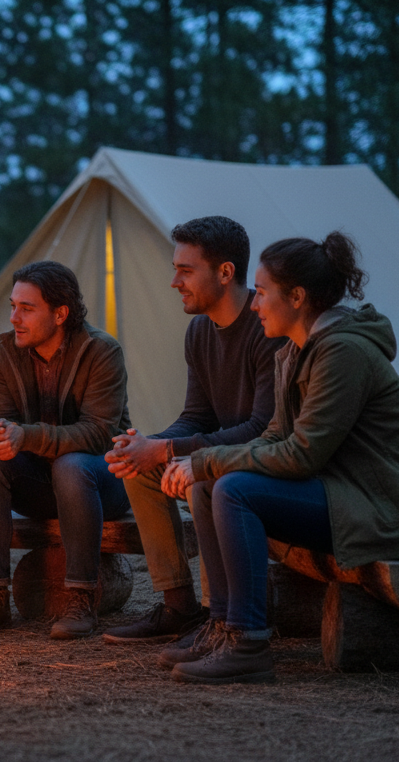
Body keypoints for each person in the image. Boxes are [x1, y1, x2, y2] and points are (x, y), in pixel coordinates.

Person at [160, 232, 399, 684]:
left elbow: (302, 455)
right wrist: (207, 463)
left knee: (233, 489)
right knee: (208, 485)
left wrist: (206, 460)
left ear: (296, 297)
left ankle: (248, 642)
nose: (254, 303)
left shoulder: (343, 352)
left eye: (263, 292)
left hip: (391, 508)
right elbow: (275, 435)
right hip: (346, 493)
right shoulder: (295, 350)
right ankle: (220, 626)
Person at [102, 216, 287, 644]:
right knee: (138, 465)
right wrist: (147, 445)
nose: (174, 282)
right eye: (175, 270)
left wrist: (166, 449)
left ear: (225, 272)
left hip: (261, 459)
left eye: (185, 271)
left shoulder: (268, 330)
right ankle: (178, 605)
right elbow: (198, 417)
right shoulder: (200, 331)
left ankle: (220, 615)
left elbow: (262, 429)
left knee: (191, 471)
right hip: (224, 449)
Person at [0, 261, 132, 639]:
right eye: (12, 306)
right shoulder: (4, 351)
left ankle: (81, 598)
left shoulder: (101, 351)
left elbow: (99, 434)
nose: (14, 318)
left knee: (71, 466)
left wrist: (27, 436)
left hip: (103, 481)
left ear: (60, 314)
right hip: (41, 483)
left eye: (26, 308)